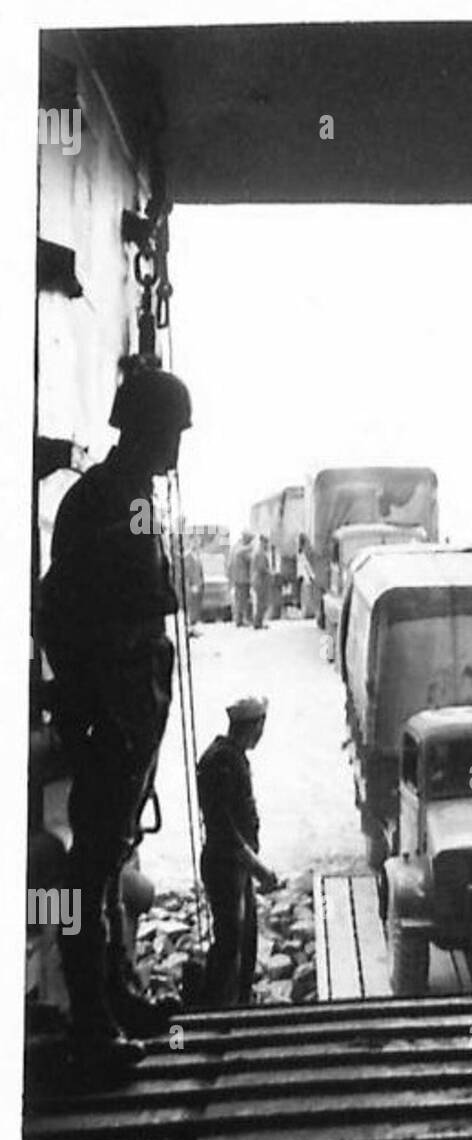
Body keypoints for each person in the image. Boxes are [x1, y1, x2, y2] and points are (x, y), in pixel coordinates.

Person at [38, 358, 193, 1078]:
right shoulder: (103, 500)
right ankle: (89, 1021)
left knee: (104, 859)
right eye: (171, 431)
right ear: (144, 428)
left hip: (128, 710)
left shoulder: (129, 498)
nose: (176, 448)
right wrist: (91, 702)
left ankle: (114, 996)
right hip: (109, 709)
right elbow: (64, 608)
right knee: (88, 866)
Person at [197, 696, 280, 1008]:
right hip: (225, 865)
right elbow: (223, 829)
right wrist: (258, 867)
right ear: (256, 726)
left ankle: (237, 1004)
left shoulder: (229, 756)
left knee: (243, 942)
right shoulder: (223, 761)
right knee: (230, 944)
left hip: (234, 865)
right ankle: (214, 1009)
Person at [229, 530, 253, 626]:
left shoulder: (235, 547)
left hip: (237, 578)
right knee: (243, 600)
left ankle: (239, 619)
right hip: (243, 579)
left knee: (240, 599)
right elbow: (249, 558)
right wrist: (251, 549)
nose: (250, 541)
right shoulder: (242, 549)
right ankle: (242, 620)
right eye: (250, 539)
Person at [250, 535, 271, 629]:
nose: (267, 545)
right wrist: (270, 572)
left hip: (258, 580)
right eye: (266, 543)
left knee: (260, 602)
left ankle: (258, 622)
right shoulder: (261, 553)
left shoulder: (258, 552)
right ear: (263, 543)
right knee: (261, 603)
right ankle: (258, 623)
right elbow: (262, 568)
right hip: (260, 580)